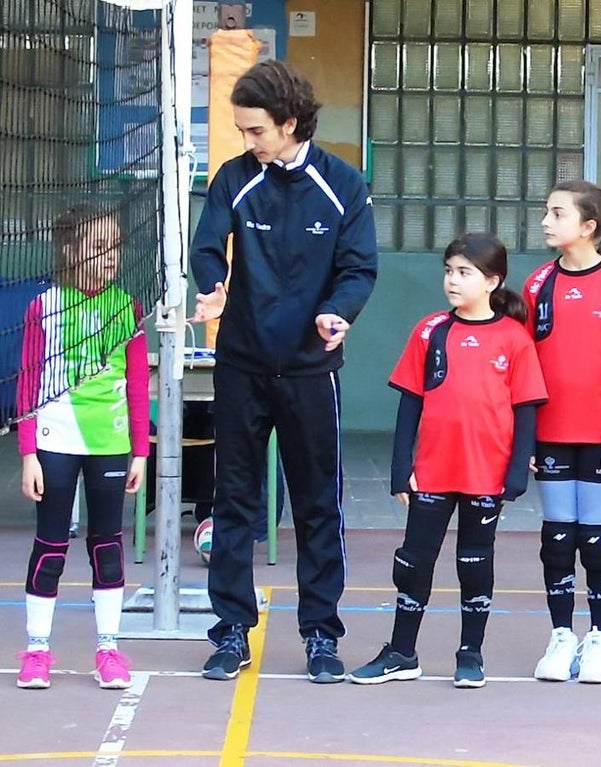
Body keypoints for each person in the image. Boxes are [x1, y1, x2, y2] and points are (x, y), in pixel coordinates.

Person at [189, 60, 378, 684]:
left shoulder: (343, 185)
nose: (248, 142)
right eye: (242, 132)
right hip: (241, 366)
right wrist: (212, 287)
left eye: (256, 131)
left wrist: (337, 313)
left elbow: (358, 268)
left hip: (309, 369)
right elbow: (209, 243)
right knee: (234, 501)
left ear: (290, 123)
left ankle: (322, 634)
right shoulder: (234, 180)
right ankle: (231, 631)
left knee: (317, 504)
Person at [349, 232, 547, 689]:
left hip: (485, 472)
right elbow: (409, 404)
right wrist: (402, 467)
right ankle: (402, 652)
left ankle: (470, 653)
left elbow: (526, 408)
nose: (453, 281)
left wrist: (518, 470)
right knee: (414, 562)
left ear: (492, 281)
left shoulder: (514, 339)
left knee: (474, 563)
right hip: (433, 470)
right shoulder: (429, 330)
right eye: (448, 271)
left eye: (464, 273)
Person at [16, 205, 148, 690]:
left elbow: (137, 381)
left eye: (115, 247)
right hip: (54, 440)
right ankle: (37, 650)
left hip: (110, 442)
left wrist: (140, 450)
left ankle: (108, 649)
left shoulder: (127, 307)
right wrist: (28, 452)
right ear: (71, 252)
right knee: (50, 546)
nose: (109, 257)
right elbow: (27, 382)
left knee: (107, 547)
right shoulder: (43, 307)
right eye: (98, 248)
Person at [526, 181, 601, 684]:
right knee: (558, 537)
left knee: (595, 537)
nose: (546, 221)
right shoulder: (537, 284)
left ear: (589, 227)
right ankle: (561, 636)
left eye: (557, 213)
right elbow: (525, 365)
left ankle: (600, 636)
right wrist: (526, 437)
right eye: (547, 212)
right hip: (551, 434)